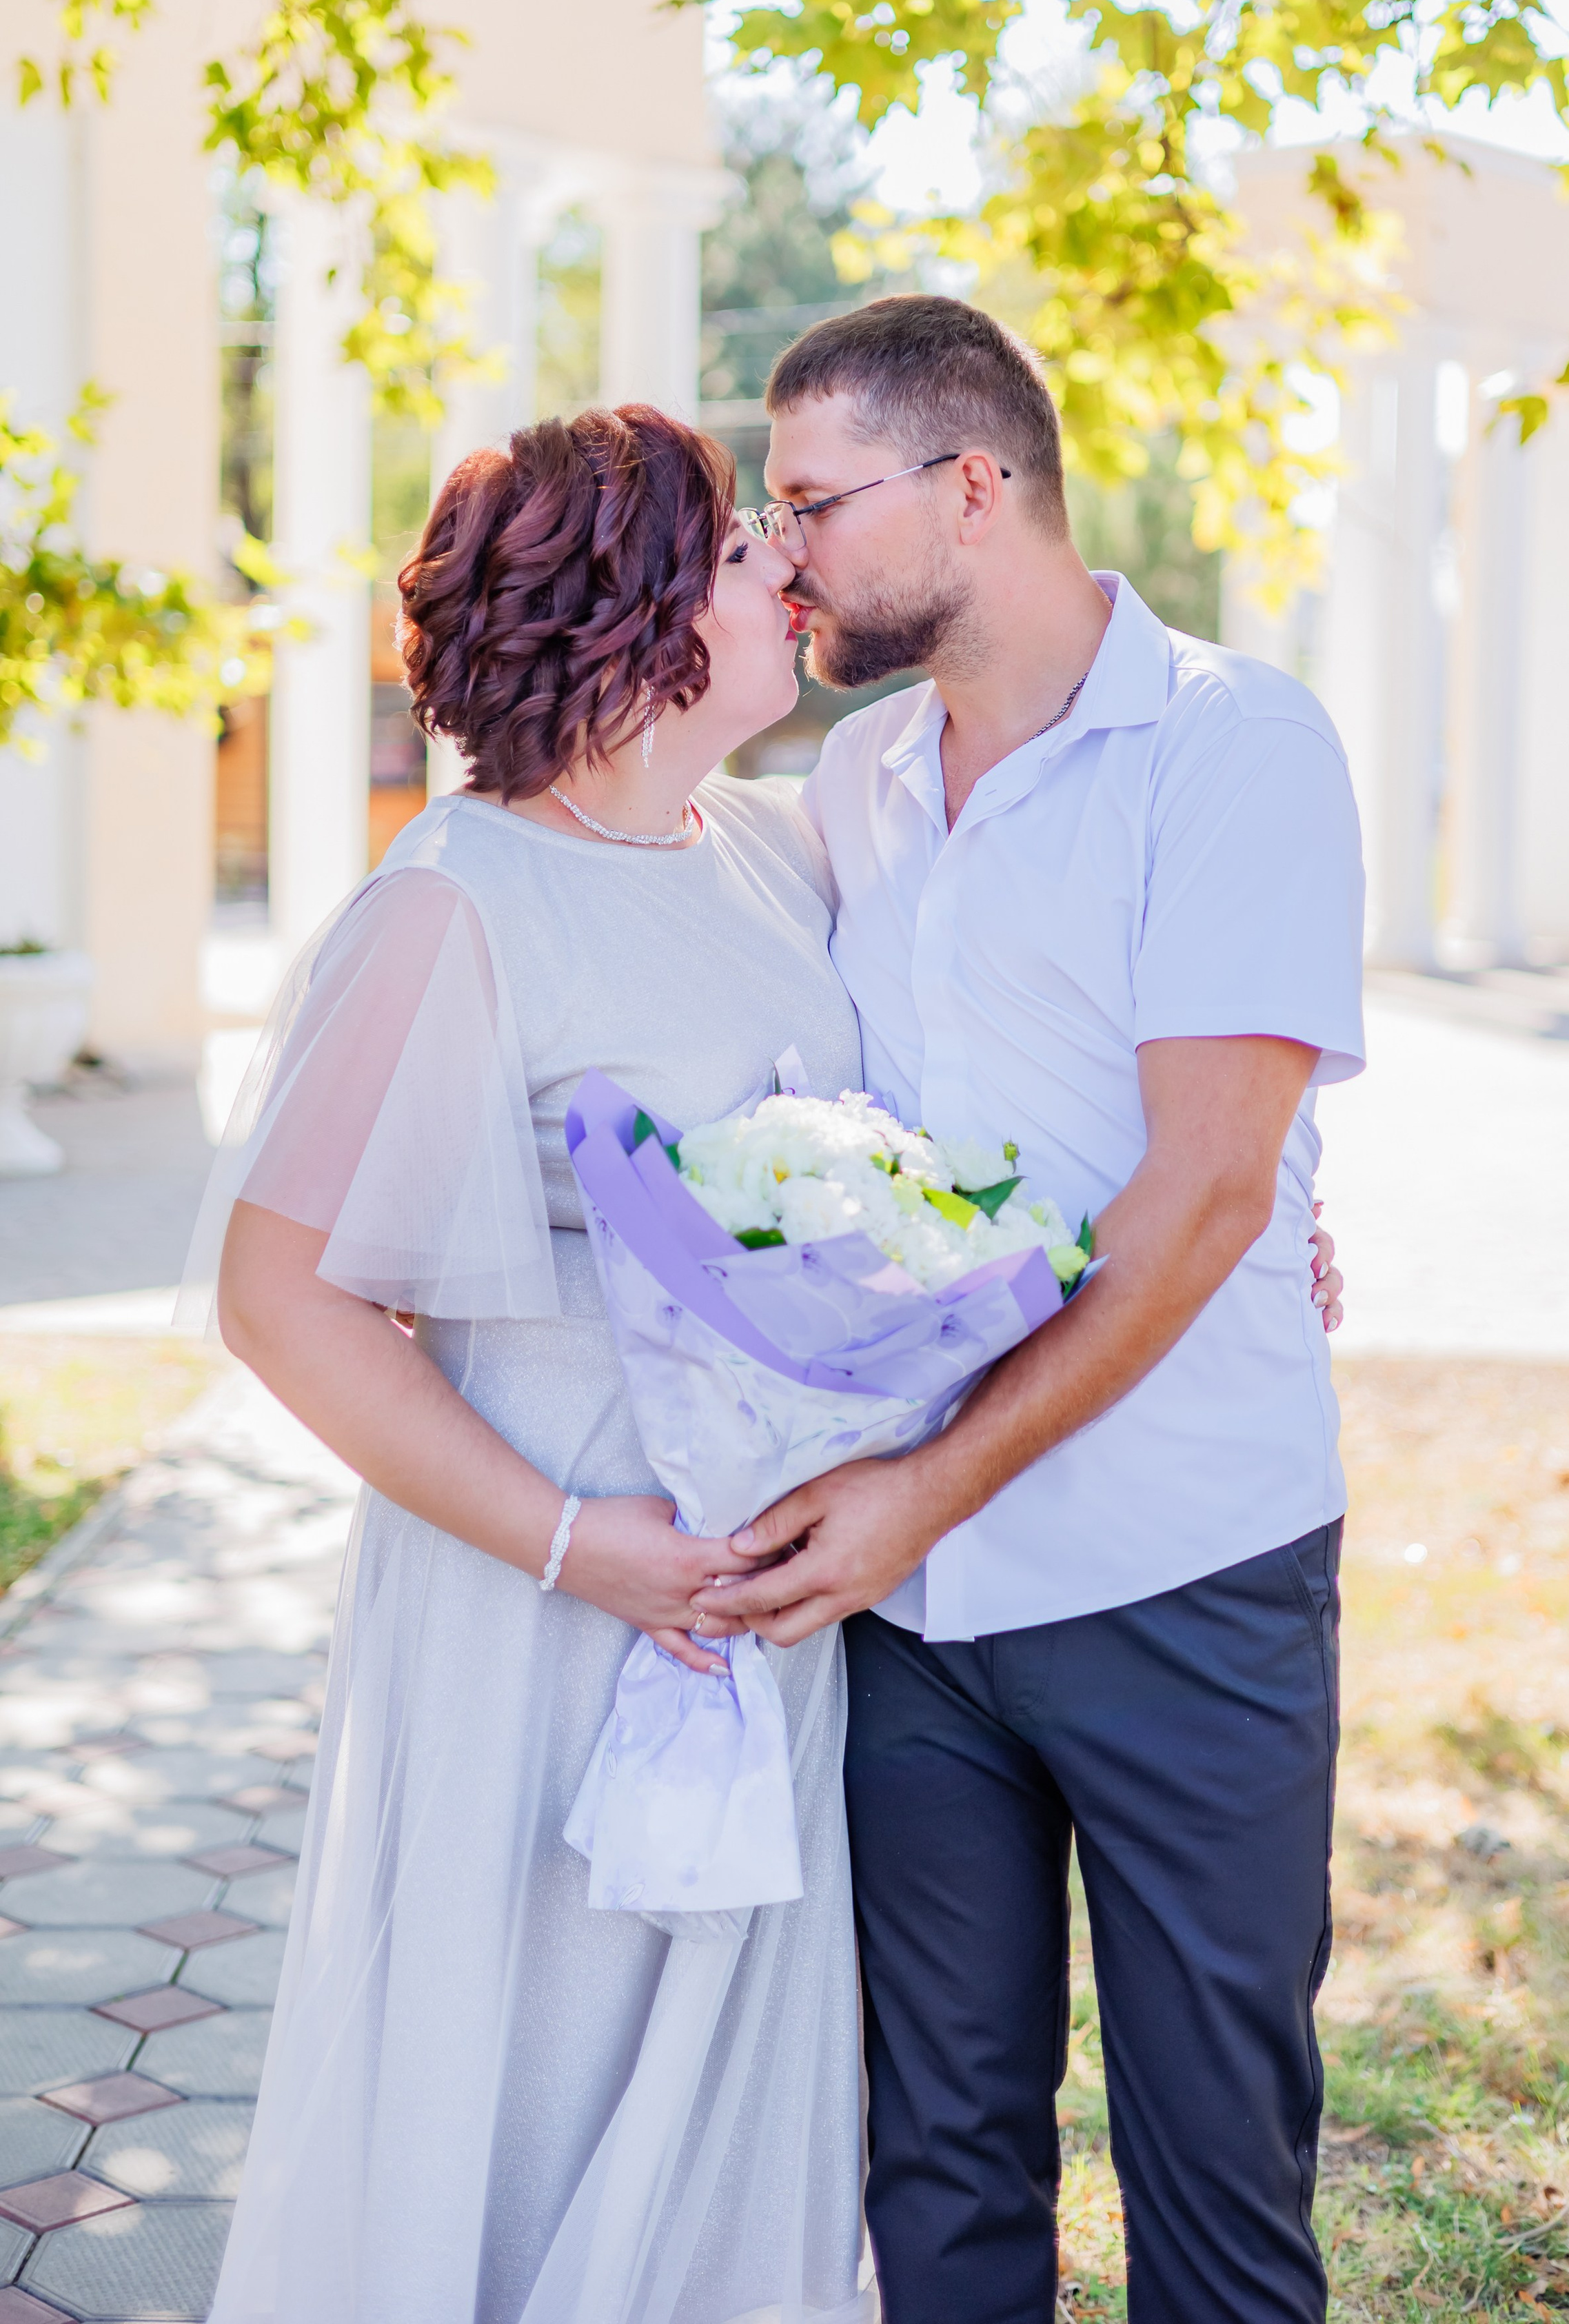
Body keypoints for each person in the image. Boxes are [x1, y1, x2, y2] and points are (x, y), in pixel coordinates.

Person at [694, 294, 1366, 2324]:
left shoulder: (1236, 742)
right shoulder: (859, 779)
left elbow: (1207, 1189)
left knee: (1217, 2188)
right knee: (941, 2170)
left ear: (976, 487)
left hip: (1186, 1575)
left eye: (812, 503)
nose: (783, 548)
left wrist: (919, 1493)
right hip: (914, 1628)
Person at [188, 406, 878, 2324]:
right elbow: (283, 1292)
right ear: (638, 608)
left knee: (722, 2075)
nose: (787, 569)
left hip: (758, 1587)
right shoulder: (456, 903)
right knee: (537, 2064)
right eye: (742, 547)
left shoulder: (764, 859)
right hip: (545, 1596)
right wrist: (586, 1545)